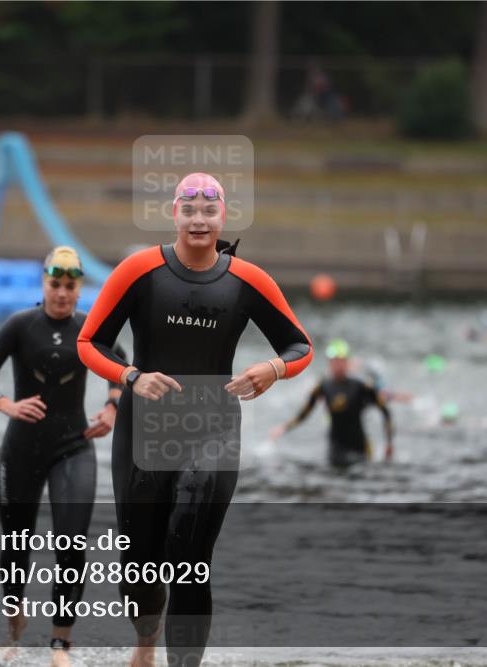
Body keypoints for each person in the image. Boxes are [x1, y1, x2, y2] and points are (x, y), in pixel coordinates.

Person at [77, 173, 314, 667]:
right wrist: (131, 375)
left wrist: (273, 369)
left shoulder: (247, 280)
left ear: (222, 217)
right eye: (190, 209)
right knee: (139, 567)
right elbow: (89, 342)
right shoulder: (139, 271)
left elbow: (300, 347)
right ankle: (145, 643)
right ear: (175, 214)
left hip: (214, 431)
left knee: (190, 558)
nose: (199, 219)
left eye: (209, 210)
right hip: (144, 432)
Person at [0, 246, 125, 667]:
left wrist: (112, 405)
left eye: (70, 286)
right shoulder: (20, 325)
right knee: (15, 546)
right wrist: (7, 405)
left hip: (73, 446)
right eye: (55, 284)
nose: (61, 293)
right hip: (21, 449)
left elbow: (121, 363)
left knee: (72, 543)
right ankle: (13, 629)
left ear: (80, 289)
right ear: (43, 283)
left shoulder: (90, 328)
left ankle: (60, 643)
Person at [271, 338, 394, 468]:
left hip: (360, 448)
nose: (337, 365)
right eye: (334, 361)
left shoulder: (361, 387)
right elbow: (305, 413)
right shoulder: (323, 387)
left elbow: (385, 411)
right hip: (336, 448)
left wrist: (389, 444)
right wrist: (284, 428)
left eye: (341, 361)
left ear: (347, 363)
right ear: (329, 363)